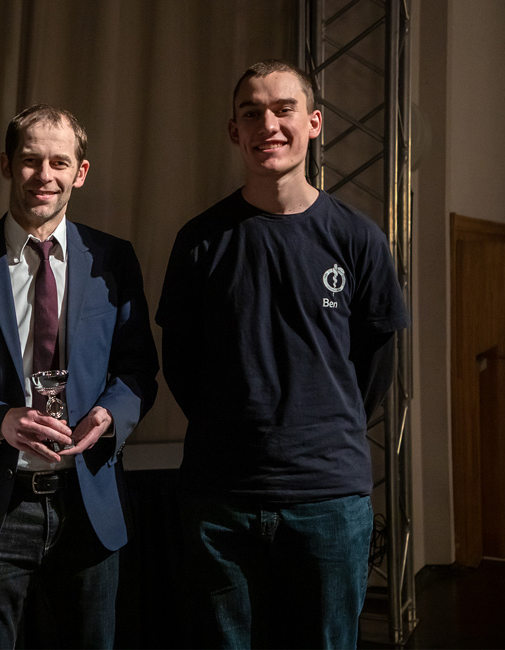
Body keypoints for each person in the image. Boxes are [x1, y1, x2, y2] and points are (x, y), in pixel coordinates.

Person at [156, 60, 409, 648]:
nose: (267, 125)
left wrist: (323, 424)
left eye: (283, 109)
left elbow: (376, 365)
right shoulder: (199, 241)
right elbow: (182, 365)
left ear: (314, 123)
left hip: (329, 497)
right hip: (221, 497)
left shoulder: (359, 237)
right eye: (251, 113)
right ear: (234, 131)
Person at [0, 104, 159, 649]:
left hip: (88, 505)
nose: (45, 175)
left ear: (81, 172)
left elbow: (138, 368)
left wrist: (110, 415)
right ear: (6, 165)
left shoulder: (112, 258)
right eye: (31, 160)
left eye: (60, 162)